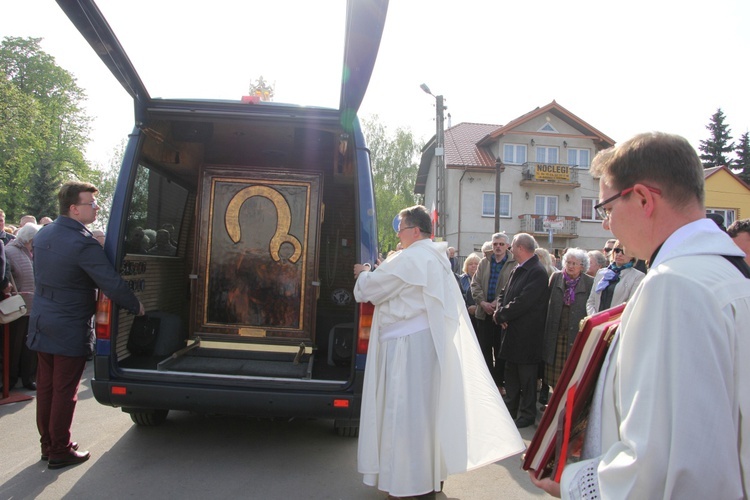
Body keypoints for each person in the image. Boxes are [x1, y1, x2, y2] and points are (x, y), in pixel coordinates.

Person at [530, 132, 750, 498]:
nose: (606, 226)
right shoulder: (726, 274)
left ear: (644, 198)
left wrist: (571, 482)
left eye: (608, 208)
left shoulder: (675, 286)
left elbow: (661, 466)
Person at [354, 205, 524, 499]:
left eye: (401, 228)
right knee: (426, 415)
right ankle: (431, 475)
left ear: (415, 231)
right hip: (426, 345)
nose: (398, 233)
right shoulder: (436, 257)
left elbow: (371, 290)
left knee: (404, 415)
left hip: (406, 349)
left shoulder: (413, 258)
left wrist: (364, 273)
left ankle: (406, 482)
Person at [27, 181, 145, 470]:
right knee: (65, 390)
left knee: (46, 388)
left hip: (42, 321)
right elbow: (110, 282)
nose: (96, 207)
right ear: (73, 208)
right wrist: (137, 306)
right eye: (91, 203)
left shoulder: (44, 235)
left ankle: (49, 444)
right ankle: (60, 449)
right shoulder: (82, 243)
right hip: (69, 325)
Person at [493, 233, 549, 428]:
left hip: (527, 336)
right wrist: (500, 311)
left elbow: (524, 301)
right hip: (511, 334)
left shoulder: (537, 271)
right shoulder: (518, 268)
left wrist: (502, 316)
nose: (510, 249)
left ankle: (526, 414)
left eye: (512, 246)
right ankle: (511, 410)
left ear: (521, 248)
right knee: (512, 375)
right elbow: (503, 293)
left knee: (526, 378)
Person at [541, 248, 593, 396]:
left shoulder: (589, 282)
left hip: (575, 333)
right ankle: (553, 400)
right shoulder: (556, 277)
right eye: (568, 262)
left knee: (571, 371)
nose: (570, 266)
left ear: (582, 266)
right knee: (554, 373)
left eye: (575, 263)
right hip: (555, 333)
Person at [470, 232, 516, 392]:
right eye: (495, 244)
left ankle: (499, 382)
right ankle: (487, 382)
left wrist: (496, 303)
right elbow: (474, 284)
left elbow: (511, 287)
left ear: (507, 246)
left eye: (501, 244)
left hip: (500, 314)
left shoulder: (513, 263)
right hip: (483, 313)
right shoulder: (484, 262)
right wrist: (482, 302)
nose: (498, 247)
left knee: (500, 350)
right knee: (484, 349)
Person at [5, 223, 42, 391]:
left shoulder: (32, 252)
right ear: (30, 239)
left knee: (30, 345)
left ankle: (28, 378)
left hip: (33, 307)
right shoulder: (9, 251)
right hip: (17, 307)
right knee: (14, 346)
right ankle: (10, 379)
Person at [586, 240, 645, 315]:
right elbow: (591, 301)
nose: (619, 254)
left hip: (617, 322)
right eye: (617, 251)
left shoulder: (638, 276)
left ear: (632, 256)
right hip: (596, 321)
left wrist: (611, 322)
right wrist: (594, 318)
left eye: (623, 251)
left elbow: (630, 305)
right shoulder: (601, 273)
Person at [458, 252, 481, 332]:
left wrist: (477, 308)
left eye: (476, 263)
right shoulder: (460, 279)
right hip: (464, 314)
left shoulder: (483, 279)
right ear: (466, 266)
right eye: (470, 264)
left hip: (479, 314)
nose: (473, 266)